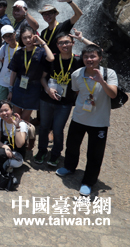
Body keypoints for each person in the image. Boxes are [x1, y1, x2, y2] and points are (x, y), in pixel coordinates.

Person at [56, 44, 118, 197]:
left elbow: (113, 95)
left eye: (93, 56)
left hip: (99, 121)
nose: (89, 59)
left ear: (100, 58)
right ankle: (70, 167)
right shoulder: (77, 74)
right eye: (86, 57)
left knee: (95, 154)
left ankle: (88, 181)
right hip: (79, 117)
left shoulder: (109, 73)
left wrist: (101, 81)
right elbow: (77, 91)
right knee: (72, 145)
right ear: (82, 58)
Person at [35, 32, 85, 167]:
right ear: (57, 45)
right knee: (44, 127)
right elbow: (43, 77)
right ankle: (41, 151)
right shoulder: (52, 59)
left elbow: (98, 51)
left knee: (58, 129)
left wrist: (82, 38)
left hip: (65, 102)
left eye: (67, 42)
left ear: (73, 43)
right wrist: (47, 89)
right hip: (46, 99)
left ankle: (56, 153)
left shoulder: (78, 61)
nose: (64, 45)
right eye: (61, 43)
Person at [9, 26, 54, 121]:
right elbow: (13, 72)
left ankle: (25, 135)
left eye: (30, 37)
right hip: (19, 86)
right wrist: (10, 89)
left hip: (34, 87)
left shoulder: (41, 51)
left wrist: (42, 43)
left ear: (34, 36)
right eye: (24, 38)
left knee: (25, 117)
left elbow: (51, 58)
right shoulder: (19, 53)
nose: (28, 40)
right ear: (21, 39)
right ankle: (17, 135)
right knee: (16, 115)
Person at [0, 100, 28, 172]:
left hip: (16, 151)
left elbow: (19, 145)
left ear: (12, 110)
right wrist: (6, 147)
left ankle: (3, 165)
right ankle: (4, 164)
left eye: (6, 110)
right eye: (1, 111)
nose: (4, 113)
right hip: (3, 147)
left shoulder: (21, 124)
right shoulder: (0, 122)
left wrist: (17, 127)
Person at [0, 25, 19, 101]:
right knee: (0, 105)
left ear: (15, 33)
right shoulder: (4, 47)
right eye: (6, 36)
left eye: (10, 35)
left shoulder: (21, 48)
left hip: (16, 82)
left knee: (13, 108)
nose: (9, 38)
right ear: (3, 38)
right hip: (2, 81)